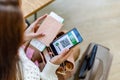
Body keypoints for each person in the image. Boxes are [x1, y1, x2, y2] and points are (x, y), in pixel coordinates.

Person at [0, 0, 73, 80]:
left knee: (64, 35)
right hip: (38, 73)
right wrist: (52, 66)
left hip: (23, 58)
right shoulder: (27, 75)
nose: (25, 24)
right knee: (72, 55)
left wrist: (20, 39)